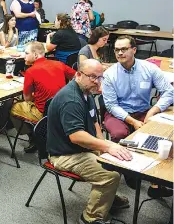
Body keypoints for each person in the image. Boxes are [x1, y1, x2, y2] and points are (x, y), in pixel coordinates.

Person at [47, 59, 131, 224]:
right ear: (78, 75)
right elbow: (76, 136)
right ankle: (90, 218)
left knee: (115, 160)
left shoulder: (86, 92)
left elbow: (94, 122)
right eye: (92, 77)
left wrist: (104, 147)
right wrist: (108, 145)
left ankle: (106, 199)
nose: (97, 82)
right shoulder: (71, 99)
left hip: (81, 148)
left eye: (100, 77)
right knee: (110, 175)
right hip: (64, 154)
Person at [103, 35, 174, 140]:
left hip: (143, 111)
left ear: (134, 50)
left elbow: (169, 92)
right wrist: (133, 121)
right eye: (117, 50)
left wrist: (153, 111)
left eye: (124, 49)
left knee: (158, 131)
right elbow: (111, 105)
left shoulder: (149, 68)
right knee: (119, 134)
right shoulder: (109, 74)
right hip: (118, 113)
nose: (120, 53)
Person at [10, 41, 76, 152]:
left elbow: (27, 99)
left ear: (35, 55)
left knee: (14, 106)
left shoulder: (31, 71)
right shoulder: (58, 64)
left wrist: (35, 95)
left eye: (26, 53)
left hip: (44, 114)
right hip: (64, 109)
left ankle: (34, 136)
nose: (23, 56)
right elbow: (77, 76)